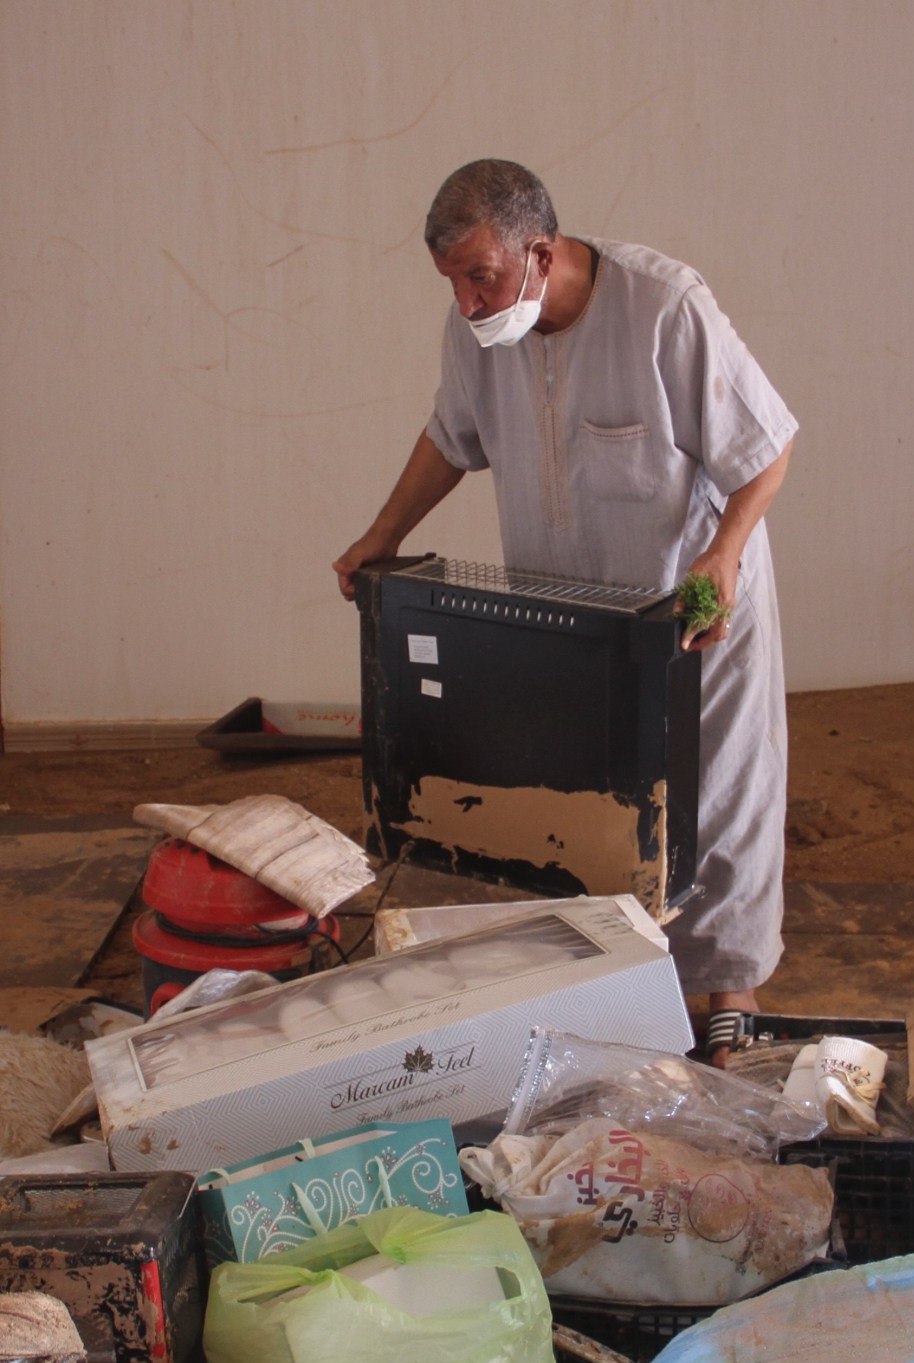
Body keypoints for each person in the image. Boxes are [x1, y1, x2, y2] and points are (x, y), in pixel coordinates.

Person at [332, 159, 797, 1058]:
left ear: (540, 252)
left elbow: (766, 449)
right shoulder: (479, 329)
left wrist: (724, 554)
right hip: (569, 617)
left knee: (719, 795)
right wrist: (379, 536)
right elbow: (449, 438)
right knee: (590, 798)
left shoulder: (664, 309)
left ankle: (730, 991)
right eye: (454, 284)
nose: (468, 303)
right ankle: (629, 990)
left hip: (690, 608)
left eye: (482, 277)